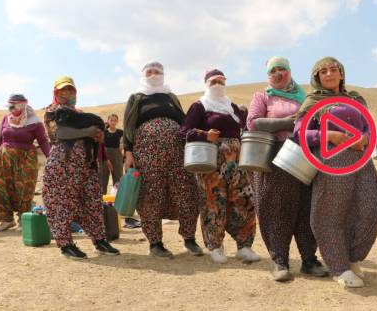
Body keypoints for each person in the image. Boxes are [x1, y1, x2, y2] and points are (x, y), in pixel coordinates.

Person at [293, 57, 377, 288]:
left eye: (334, 70)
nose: (329, 74)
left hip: (361, 159)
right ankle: (339, 266)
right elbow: (299, 133)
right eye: (324, 71)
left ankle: (352, 257)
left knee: (370, 208)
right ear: (317, 77)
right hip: (332, 158)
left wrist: (365, 138)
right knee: (330, 212)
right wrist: (329, 135)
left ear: (341, 74)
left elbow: (369, 128)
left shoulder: (355, 99)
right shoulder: (313, 100)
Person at [247, 56, 329, 281]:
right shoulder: (262, 96)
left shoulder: (304, 97)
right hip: (274, 157)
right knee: (276, 209)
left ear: (290, 71)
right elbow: (253, 122)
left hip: (304, 154)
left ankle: (309, 260)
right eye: (273, 70)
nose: (278, 73)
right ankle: (279, 260)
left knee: (305, 207)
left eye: (282, 69)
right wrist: (287, 122)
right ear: (268, 75)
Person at [180, 69, 260, 264]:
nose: (218, 84)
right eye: (213, 81)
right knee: (213, 202)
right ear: (206, 83)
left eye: (221, 81)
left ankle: (244, 246)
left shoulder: (232, 107)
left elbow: (244, 130)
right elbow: (184, 132)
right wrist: (204, 134)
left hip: (237, 162)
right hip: (210, 163)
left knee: (243, 200)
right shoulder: (200, 106)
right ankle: (215, 246)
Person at [123, 62, 202, 258]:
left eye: (157, 72)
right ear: (143, 75)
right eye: (149, 72)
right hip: (147, 154)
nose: (153, 74)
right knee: (151, 194)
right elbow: (128, 126)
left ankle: (189, 239)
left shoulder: (171, 97)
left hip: (177, 152)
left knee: (187, 190)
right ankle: (155, 243)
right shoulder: (137, 97)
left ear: (163, 75)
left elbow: (184, 123)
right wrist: (128, 152)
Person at [41, 76, 119, 259]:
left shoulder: (80, 113)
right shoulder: (52, 111)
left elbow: (95, 137)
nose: (66, 93)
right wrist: (88, 132)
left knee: (92, 201)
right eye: (62, 90)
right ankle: (66, 244)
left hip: (86, 165)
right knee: (63, 202)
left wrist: (98, 137)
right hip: (63, 166)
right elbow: (60, 133)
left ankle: (99, 241)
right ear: (56, 92)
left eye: (70, 90)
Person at [0, 94, 50, 232]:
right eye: (9, 105)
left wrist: (51, 157)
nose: (11, 108)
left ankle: (23, 219)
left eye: (13, 105)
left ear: (22, 105)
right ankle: (6, 220)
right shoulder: (6, 119)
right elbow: (0, 139)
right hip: (4, 159)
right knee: (0, 187)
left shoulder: (34, 122)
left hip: (26, 160)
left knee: (24, 189)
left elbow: (43, 142)